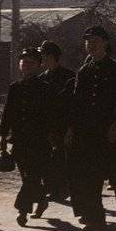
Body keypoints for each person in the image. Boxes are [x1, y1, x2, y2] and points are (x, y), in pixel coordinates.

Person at [66, 26, 116, 231]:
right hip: (88, 131)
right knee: (90, 174)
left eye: (94, 41)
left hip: (110, 130)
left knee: (115, 171)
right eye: (88, 42)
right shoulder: (84, 71)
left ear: (105, 43)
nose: (90, 45)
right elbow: (77, 103)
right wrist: (71, 128)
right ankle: (96, 217)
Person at [0, 48, 53, 226]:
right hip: (20, 141)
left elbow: (51, 115)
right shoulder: (15, 88)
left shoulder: (45, 89)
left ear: (39, 65)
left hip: (39, 141)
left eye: (31, 62)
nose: (26, 65)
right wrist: (2, 136)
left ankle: (22, 210)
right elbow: (8, 114)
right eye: (24, 61)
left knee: (31, 177)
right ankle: (42, 200)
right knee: (28, 177)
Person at [38, 40, 75, 203]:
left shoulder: (69, 77)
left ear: (52, 57)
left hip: (64, 125)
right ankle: (53, 188)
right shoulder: (41, 79)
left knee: (62, 158)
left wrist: (71, 128)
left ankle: (62, 188)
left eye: (44, 56)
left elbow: (74, 104)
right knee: (48, 159)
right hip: (47, 126)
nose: (42, 59)